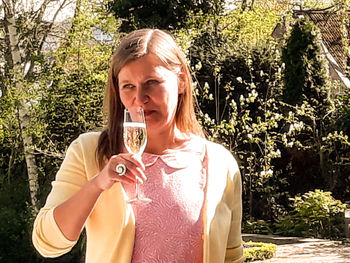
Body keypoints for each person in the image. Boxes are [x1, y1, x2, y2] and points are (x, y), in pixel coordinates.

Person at [32, 28, 245, 263]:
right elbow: (47, 243)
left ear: (182, 81)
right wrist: (98, 184)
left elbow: (231, 255)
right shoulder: (89, 152)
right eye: (128, 86)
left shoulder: (220, 164)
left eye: (152, 82)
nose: (140, 99)